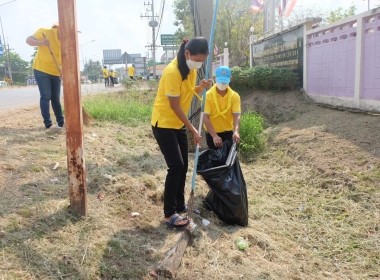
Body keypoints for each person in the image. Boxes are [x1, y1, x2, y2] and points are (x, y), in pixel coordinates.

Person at [151, 37, 212, 229]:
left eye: (203, 60)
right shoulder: (172, 72)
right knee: (175, 166)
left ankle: (179, 205)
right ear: (187, 54)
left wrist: (200, 88)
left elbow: (186, 91)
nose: (200, 63)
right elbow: (175, 104)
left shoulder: (191, 70)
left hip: (177, 124)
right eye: (198, 59)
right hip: (164, 124)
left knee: (183, 165)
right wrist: (193, 129)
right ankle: (170, 214)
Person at [26, 22, 64, 130]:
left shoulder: (67, 40)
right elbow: (28, 40)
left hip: (56, 71)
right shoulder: (45, 32)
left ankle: (61, 122)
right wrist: (42, 42)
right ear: (59, 27)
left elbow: (65, 58)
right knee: (46, 96)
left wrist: (64, 72)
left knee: (56, 98)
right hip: (41, 69)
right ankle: (49, 124)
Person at [203, 66, 241, 149]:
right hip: (212, 134)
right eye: (220, 81)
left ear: (230, 79)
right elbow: (205, 117)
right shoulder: (207, 96)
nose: (222, 84)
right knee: (216, 160)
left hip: (229, 134)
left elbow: (236, 115)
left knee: (231, 161)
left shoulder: (235, 96)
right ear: (215, 78)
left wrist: (236, 131)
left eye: (225, 82)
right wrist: (214, 136)